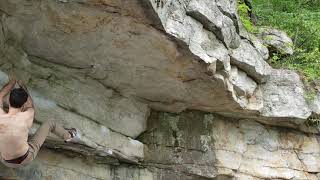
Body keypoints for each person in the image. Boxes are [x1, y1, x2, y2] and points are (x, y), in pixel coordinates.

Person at [0, 76, 78, 168]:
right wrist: (22, 85)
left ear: (9, 101)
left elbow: (0, 96)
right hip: (26, 159)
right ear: (23, 105)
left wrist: (11, 83)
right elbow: (30, 104)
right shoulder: (27, 115)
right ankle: (68, 136)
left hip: (6, 162)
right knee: (51, 122)